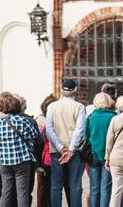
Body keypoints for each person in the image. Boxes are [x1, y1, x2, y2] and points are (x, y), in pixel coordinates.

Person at [46, 78, 87, 207]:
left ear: (61, 89)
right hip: (74, 152)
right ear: (75, 89)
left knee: (56, 185)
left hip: (56, 151)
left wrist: (59, 147)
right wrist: (70, 149)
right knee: (75, 185)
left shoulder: (52, 106)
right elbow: (79, 130)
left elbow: (49, 129)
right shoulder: (79, 107)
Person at [0, 92, 38, 207]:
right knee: (22, 193)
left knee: (6, 192)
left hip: (4, 162)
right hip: (21, 160)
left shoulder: (0, 122)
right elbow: (34, 135)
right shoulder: (22, 121)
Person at [86, 92, 116, 207]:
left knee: (94, 187)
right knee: (106, 187)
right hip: (108, 155)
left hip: (93, 154)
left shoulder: (91, 117)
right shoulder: (113, 116)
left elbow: (86, 136)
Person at [37, 94, 58, 207]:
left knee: (43, 188)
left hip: (45, 160)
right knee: (54, 187)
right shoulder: (54, 126)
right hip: (54, 159)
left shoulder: (42, 125)